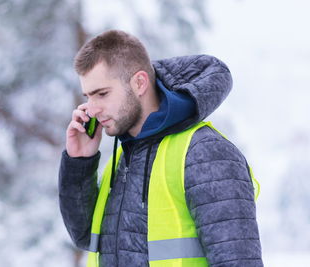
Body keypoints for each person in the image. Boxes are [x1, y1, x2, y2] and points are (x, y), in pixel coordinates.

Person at [59, 30, 263, 267]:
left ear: (139, 82)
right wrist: (80, 162)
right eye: (88, 96)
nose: (91, 109)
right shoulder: (123, 158)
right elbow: (86, 237)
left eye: (102, 94)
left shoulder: (205, 154)